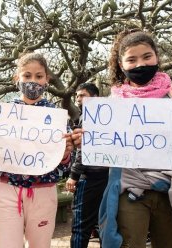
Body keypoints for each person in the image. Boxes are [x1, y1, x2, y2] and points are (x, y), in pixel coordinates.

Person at [70, 30, 172, 248]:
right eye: (132, 59)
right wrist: (88, 143)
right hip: (129, 190)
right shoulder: (112, 103)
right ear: (121, 65)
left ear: (157, 57)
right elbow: (104, 156)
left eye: (147, 57)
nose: (140, 64)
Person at [0, 52, 73, 248]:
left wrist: (66, 153)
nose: (32, 81)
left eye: (38, 76)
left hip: (43, 192)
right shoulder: (1, 114)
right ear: (16, 78)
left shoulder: (58, 117)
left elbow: (64, 162)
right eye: (27, 76)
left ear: (47, 80)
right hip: (7, 190)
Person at [66, 83, 109, 248]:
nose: (78, 99)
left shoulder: (89, 117)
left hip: (89, 177)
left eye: (82, 95)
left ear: (95, 97)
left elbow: (82, 151)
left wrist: (73, 175)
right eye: (77, 96)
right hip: (106, 177)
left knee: (81, 226)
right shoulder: (106, 116)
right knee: (104, 225)